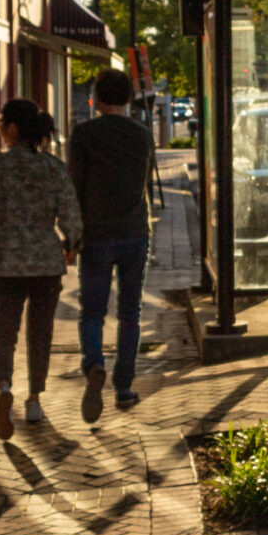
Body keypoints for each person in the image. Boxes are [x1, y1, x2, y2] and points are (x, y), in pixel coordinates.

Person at [0, 99, 82, 440]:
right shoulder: (53, 168)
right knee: (41, 333)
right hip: (45, 263)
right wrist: (72, 244)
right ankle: (35, 399)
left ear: (12, 128)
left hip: (4, 263)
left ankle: (4, 387)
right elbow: (70, 212)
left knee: (3, 332)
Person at [69, 66, 162, 421]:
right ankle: (123, 385)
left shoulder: (84, 134)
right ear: (127, 98)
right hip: (135, 232)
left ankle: (94, 363)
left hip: (95, 235)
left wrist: (72, 235)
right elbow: (143, 181)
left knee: (92, 311)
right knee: (130, 313)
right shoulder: (142, 135)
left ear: (97, 98)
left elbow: (74, 187)